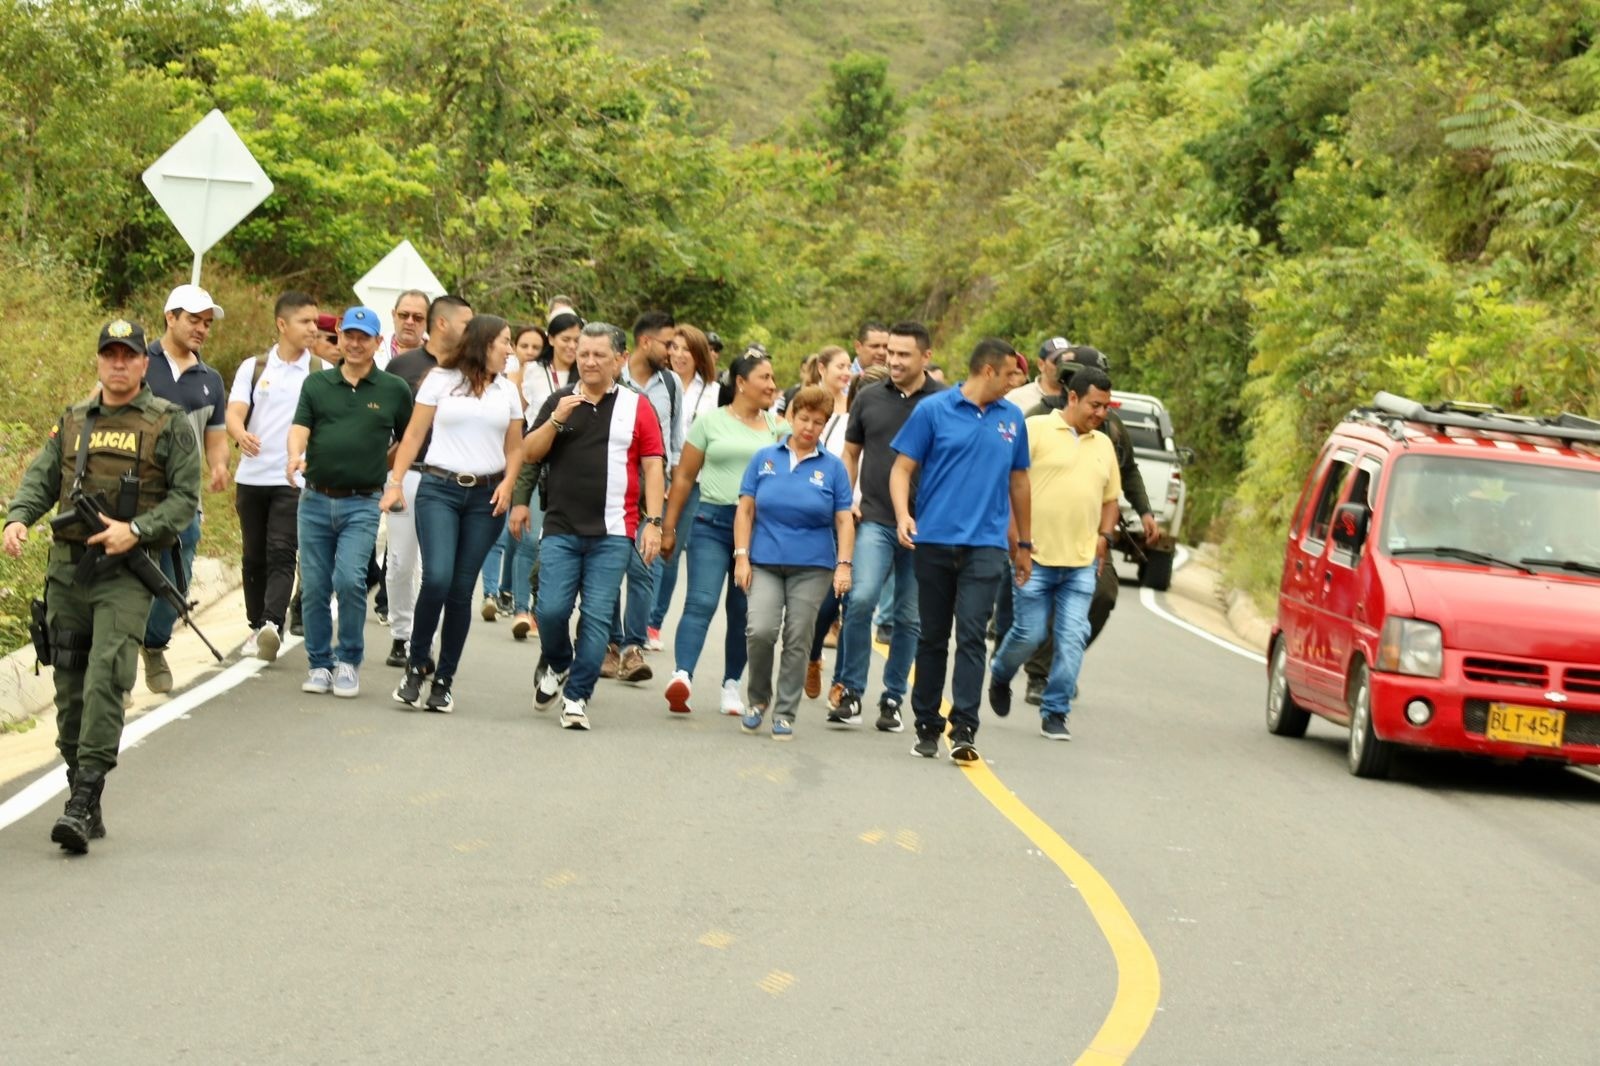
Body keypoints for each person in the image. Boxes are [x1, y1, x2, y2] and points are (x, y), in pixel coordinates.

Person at [3, 319, 200, 853]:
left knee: (106, 680)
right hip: (68, 573)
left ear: (143, 363)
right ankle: (84, 798)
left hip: (126, 574)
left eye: (128, 355)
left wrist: (135, 530)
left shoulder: (169, 424)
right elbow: (42, 478)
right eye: (109, 354)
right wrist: (18, 518)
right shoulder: (74, 419)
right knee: (69, 691)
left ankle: (81, 800)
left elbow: (185, 500)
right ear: (98, 361)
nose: (118, 363)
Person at [514, 323, 664, 730]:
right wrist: (556, 421)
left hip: (613, 532)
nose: (590, 362)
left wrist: (653, 522)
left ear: (620, 359)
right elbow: (530, 452)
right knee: (550, 610)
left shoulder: (637, 406)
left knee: (597, 618)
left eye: (600, 355)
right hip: (561, 527)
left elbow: (653, 466)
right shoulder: (560, 400)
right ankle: (560, 662)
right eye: (584, 354)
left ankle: (577, 696)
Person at [891, 339, 1032, 762]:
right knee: (933, 636)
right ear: (988, 371)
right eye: (1010, 373)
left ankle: (965, 727)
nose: (1015, 381)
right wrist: (903, 515)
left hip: (986, 545)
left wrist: (1024, 543)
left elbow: (1019, 482)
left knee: (972, 634)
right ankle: (927, 724)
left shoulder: (1012, 419)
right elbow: (902, 468)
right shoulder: (933, 410)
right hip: (934, 540)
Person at [384, 315, 523, 712]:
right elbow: (413, 435)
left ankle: (444, 680)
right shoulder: (440, 380)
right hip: (439, 489)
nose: (510, 349)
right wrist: (395, 482)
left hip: (486, 497)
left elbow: (515, 447)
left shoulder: (507, 390)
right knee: (437, 578)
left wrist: (509, 484)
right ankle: (416, 667)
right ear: (483, 343)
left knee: (461, 590)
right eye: (505, 341)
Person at [1013, 343, 1156, 705]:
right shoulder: (1037, 420)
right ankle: (1037, 673)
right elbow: (1012, 478)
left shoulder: (1111, 428)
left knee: (1103, 594)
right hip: (1039, 537)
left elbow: (1128, 470)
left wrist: (1145, 512)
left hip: (1088, 538)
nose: (1101, 410)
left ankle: (1062, 662)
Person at [988, 366, 1120, 741]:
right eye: (1095, 405)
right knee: (1028, 634)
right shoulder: (1035, 429)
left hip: (1080, 563)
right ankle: (1001, 673)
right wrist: (1014, 541)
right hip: (1035, 557)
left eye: (1106, 407)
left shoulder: (1104, 444)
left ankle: (1056, 710)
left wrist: (1104, 537)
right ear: (1073, 398)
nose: (1101, 413)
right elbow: (1009, 484)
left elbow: (1111, 500)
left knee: (1073, 636)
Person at [288, 307, 414, 698]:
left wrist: (390, 474)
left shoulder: (393, 389)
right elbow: (300, 427)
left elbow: (409, 439)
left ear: (378, 342)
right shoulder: (317, 384)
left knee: (349, 579)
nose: (355, 344)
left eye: (364, 337)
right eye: (349, 336)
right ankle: (319, 663)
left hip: (362, 502)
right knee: (314, 587)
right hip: (314, 499)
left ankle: (348, 660)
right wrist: (294, 454)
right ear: (339, 337)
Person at [828, 323, 944, 731]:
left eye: (903, 355)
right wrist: (847, 500)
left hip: (925, 526)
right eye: (890, 353)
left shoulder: (944, 403)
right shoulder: (869, 396)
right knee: (860, 600)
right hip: (874, 517)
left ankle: (893, 697)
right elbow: (850, 452)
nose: (893, 361)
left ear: (926, 357)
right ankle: (851, 690)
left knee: (909, 617)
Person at [661, 350, 786, 716]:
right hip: (711, 522)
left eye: (773, 378)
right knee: (701, 601)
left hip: (760, 530)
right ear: (741, 383)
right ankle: (682, 675)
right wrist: (668, 527)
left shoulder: (780, 429)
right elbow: (684, 477)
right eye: (765, 377)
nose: (772, 385)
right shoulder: (709, 422)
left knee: (743, 609)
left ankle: (731, 685)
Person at [734, 385, 855, 739]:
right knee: (760, 630)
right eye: (803, 419)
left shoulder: (833, 468)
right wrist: (741, 556)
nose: (809, 427)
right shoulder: (764, 458)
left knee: (798, 636)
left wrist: (844, 564)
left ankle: (785, 712)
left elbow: (844, 520)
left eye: (818, 422)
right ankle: (758, 700)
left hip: (812, 566)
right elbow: (745, 510)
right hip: (764, 560)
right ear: (790, 417)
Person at [225, 291, 328, 663]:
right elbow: (234, 411)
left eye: (315, 321)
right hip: (252, 476)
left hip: (293, 479)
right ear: (282, 324)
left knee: (282, 551)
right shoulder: (254, 367)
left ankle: (272, 623)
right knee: (253, 556)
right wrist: (240, 434)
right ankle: (257, 625)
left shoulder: (320, 371)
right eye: (305, 321)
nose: (313, 328)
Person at [138, 283, 229, 695]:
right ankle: (117, 670)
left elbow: (216, 437)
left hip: (183, 498)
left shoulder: (211, 379)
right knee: (125, 581)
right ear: (170, 317)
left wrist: (219, 466)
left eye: (207, 323)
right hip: (134, 493)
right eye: (194, 320)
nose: (202, 329)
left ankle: (154, 645)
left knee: (175, 581)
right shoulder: (139, 362)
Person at [383, 295, 474, 669]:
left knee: (437, 568)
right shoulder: (402, 366)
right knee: (401, 560)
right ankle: (401, 634)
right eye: (466, 323)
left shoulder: (470, 370)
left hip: (451, 480)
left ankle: (425, 641)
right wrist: (388, 473)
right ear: (442, 323)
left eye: (415, 315)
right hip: (409, 473)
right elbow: (385, 422)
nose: (471, 331)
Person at [601, 310, 683, 683]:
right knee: (608, 563)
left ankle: (633, 648)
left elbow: (674, 441)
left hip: (651, 485)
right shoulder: (612, 377)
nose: (673, 351)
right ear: (645, 342)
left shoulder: (671, 383)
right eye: (668, 344)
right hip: (613, 483)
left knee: (642, 564)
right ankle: (609, 642)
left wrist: (671, 486)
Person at [647, 323, 721, 650]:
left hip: (691, 482)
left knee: (669, 551)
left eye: (686, 350)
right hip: (655, 474)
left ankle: (653, 623)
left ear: (699, 355)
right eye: (673, 347)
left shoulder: (715, 392)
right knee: (645, 548)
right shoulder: (658, 382)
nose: (678, 355)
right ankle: (636, 619)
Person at [479, 323, 544, 630]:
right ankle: (490, 593)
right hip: (497, 458)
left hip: (527, 460)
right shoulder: (504, 379)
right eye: (524, 346)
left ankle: (508, 591)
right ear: (515, 348)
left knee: (520, 533)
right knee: (499, 532)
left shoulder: (544, 378)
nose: (530, 352)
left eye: (536, 348)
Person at [800, 345, 856, 697]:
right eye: (840, 366)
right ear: (822, 368)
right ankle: (813, 654)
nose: (846, 372)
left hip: (859, 514)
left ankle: (843, 683)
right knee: (826, 603)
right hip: (823, 513)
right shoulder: (810, 406)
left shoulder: (857, 409)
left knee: (855, 603)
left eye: (850, 366)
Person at [378, 289, 431, 370]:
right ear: (393, 315)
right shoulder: (373, 348)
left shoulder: (439, 356)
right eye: (403, 315)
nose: (409, 322)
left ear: (428, 320)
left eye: (418, 317)